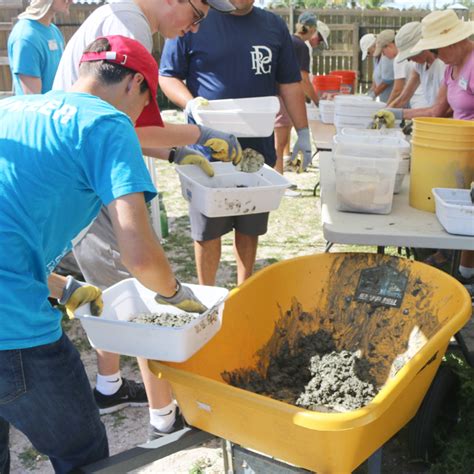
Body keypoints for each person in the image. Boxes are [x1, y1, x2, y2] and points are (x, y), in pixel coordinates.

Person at [0, 34, 208, 474]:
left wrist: (60, 285)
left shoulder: (12, 108)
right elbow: (139, 254)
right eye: (142, 108)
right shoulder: (107, 123)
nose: (137, 121)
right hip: (13, 330)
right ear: (134, 83)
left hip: (13, 299)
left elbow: (10, 224)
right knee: (84, 455)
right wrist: (175, 296)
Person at [52, 0, 240, 440]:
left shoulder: (116, 22)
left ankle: (109, 385)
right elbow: (126, 129)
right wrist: (175, 295)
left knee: (108, 291)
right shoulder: (128, 27)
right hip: (86, 182)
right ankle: (163, 419)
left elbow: (124, 124)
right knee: (141, 301)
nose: (194, 28)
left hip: (72, 184)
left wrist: (175, 149)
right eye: (197, 14)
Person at [159, 0, 310, 287]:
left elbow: (289, 82)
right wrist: (189, 103)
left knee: (249, 223)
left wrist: (303, 132)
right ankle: (208, 293)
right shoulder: (195, 17)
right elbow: (168, 75)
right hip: (207, 149)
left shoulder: (273, 25)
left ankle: (245, 287)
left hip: (256, 150)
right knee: (208, 230)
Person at [375, 10, 474, 282]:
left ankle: (464, 275)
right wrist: (397, 114)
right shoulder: (452, 68)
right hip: (457, 149)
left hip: (468, 148)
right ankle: (464, 273)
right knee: (460, 216)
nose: (435, 55)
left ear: (454, 42)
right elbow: (438, 110)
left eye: (436, 49)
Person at [274, 12, 330, 181]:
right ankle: (279, 180)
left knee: (279, 142)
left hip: (275, 95)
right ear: (313, 30)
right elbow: (303, 80)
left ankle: (279, 176)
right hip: (283, 97)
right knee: (280, 143)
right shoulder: (301, 46)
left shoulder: (290, 40)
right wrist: (317, 101)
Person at [7, 0, 70, 94]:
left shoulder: (54, 30)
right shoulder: (26, 37)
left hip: (58, 106)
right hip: (40, 108)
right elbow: (33, 99)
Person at [385, 21, 446, 112]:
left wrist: (401, 114)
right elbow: (403, 98)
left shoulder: (443, 65)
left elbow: (440, 110)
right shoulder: (419, 65)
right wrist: (386, 111)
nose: (409, 60)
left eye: (410, 55)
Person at [374, 28, 427, 108]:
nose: (384, 55)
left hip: (420, 102)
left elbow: (397, 90)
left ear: (390, 46)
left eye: (383, 52)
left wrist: (386, 107)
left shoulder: (399, 60)